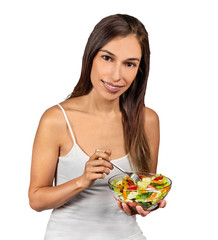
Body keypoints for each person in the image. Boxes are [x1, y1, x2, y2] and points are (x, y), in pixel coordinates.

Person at [28, 14, 166, 239]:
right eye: (107, 58)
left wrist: (145, 204)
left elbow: (140, 193)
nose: (116, 76)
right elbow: (36, 199)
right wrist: (82, 180)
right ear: (91, 56)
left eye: (129, 64)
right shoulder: (56, 119)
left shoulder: (147, 121)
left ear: (139, 69)